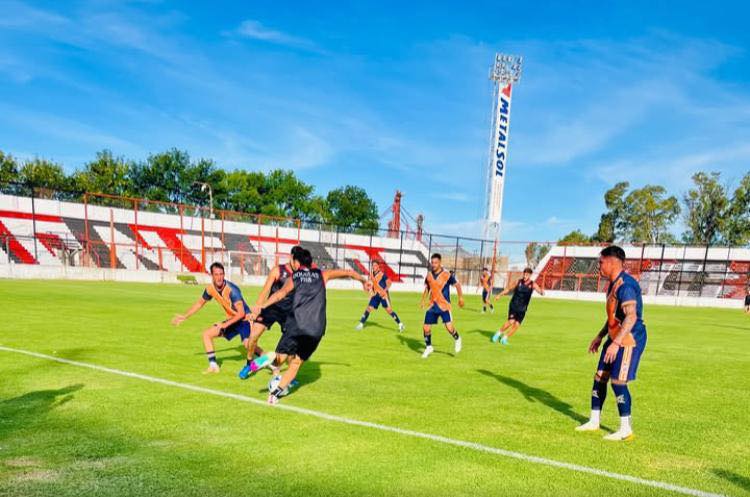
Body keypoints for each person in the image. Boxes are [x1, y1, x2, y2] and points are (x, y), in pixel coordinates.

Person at [249, 248, 369, 404]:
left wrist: (262, 307)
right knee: (296, 362)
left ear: (297, 262)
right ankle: (274, 396)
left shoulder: (295, 276)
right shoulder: (322, 275)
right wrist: (363, 281)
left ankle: (268, 358)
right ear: (311, 262)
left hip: (296, 325)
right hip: (316, 329)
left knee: (279, 360)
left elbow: (280, 294)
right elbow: (348, 272)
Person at [576, 245, 647, 442]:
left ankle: (625, 429)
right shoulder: (612, 284)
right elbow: (614, 317)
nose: (599, 266)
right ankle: (594, 421)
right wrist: (600, 336)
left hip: (629, 339)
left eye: (601, 262)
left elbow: (631, 317)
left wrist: (615, 343)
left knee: (618, 381)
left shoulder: (626, 286)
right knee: (600, 378)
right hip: (615, 336)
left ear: (611, 261)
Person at [171, 262, 261, 373]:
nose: (219, 277)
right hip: (232, 320)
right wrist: (185, 316)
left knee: (248, 345)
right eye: (216, 274)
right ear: (212, 275)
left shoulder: (232, 290)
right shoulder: (210, 289)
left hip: (245, 320)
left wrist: (224, 325)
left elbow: (241, 313)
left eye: (221, 274)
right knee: (207, 334)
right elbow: (200, 303)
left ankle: (271, 361)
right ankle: (213, 365)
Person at [237, 246, 304, 380]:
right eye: (297, 261)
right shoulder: (278, 270)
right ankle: (249, 363)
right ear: (291, 258)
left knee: (291, 346)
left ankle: (290, 376)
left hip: (288, 313)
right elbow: (265, 291)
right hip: (270, 309)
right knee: (253, 337)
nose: (299, 265)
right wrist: (257, 310)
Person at [419, 253, 465, 359]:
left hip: (444, 305)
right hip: (432, 305)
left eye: (436, 262)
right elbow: (427, 288)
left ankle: (457, 339)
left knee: (449, 328)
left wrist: (460, 298)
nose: (433, 264)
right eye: (432, 262)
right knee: (425, 328)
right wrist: (422, 300)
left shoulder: (447, 275)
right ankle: (429, 347)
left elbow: (457, 285)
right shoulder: (429, 275)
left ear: (440, 263)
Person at [492, 267, 545, 345]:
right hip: (514, 305)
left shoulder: (533, 284)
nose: (524, 276)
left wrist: (542, 292)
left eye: (526, 274)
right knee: (511, 321)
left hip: (523, 308)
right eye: (524, 274)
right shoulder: (518, 282)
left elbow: (540, 291)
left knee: (517, 325)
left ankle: (504, 338)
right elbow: (508, 289)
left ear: (530, 275)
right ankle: (498, 333)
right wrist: (499, 295)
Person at [355, 259, 405, 332]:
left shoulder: (382, 275)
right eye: (373, 265)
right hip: (375, 295)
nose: (374, 267)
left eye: (375, 265)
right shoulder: (371, 274)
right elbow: (371, 284)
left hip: (382, 296)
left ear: (378, 266)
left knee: (389, 311)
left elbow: (389, 283)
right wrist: (369, 290)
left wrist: (384, 291)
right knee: (368, 308)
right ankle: (361, 324)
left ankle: (400, 324)